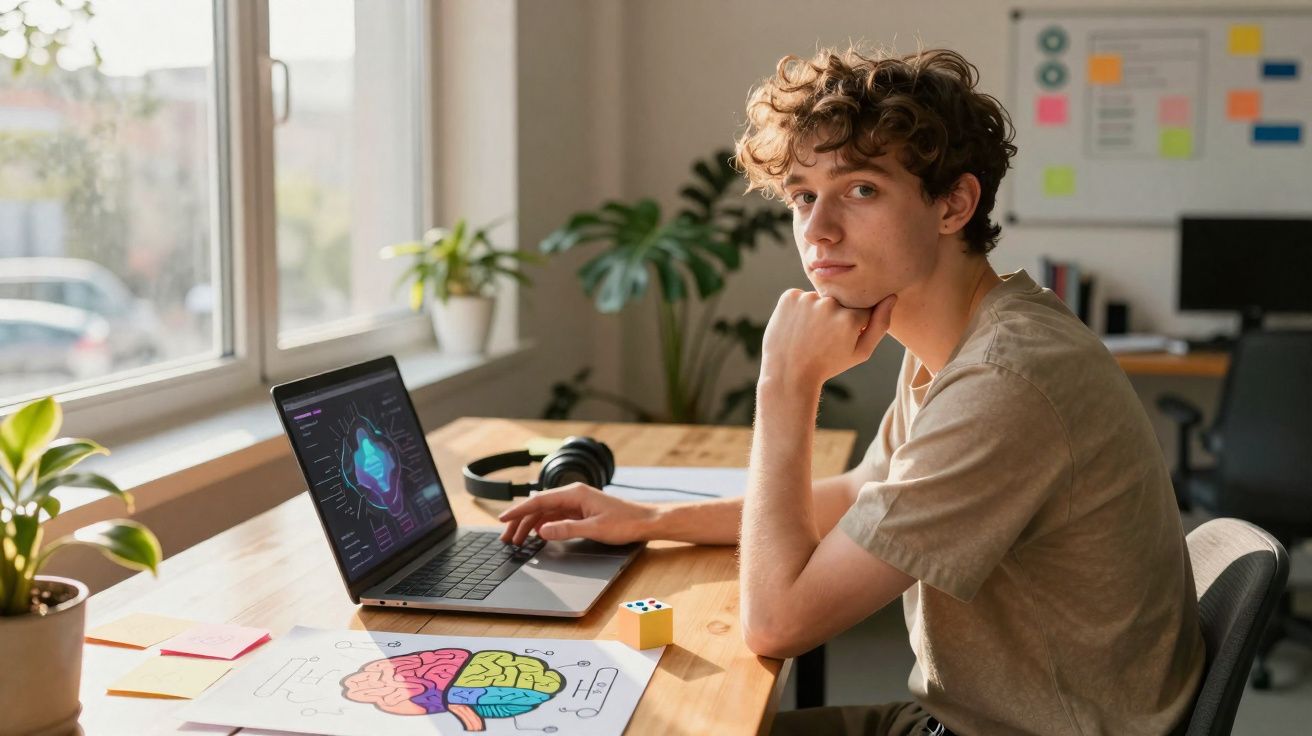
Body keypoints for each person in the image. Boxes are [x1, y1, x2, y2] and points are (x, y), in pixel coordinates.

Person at [499, 45, 1204, 736]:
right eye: (803, 196)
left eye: (860, 190)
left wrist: (784, 385)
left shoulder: (1005, 378)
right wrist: (649, 522)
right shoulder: (959, 334)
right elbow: (862, 494)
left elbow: (778, 624)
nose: (818, 230)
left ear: (954, 202)